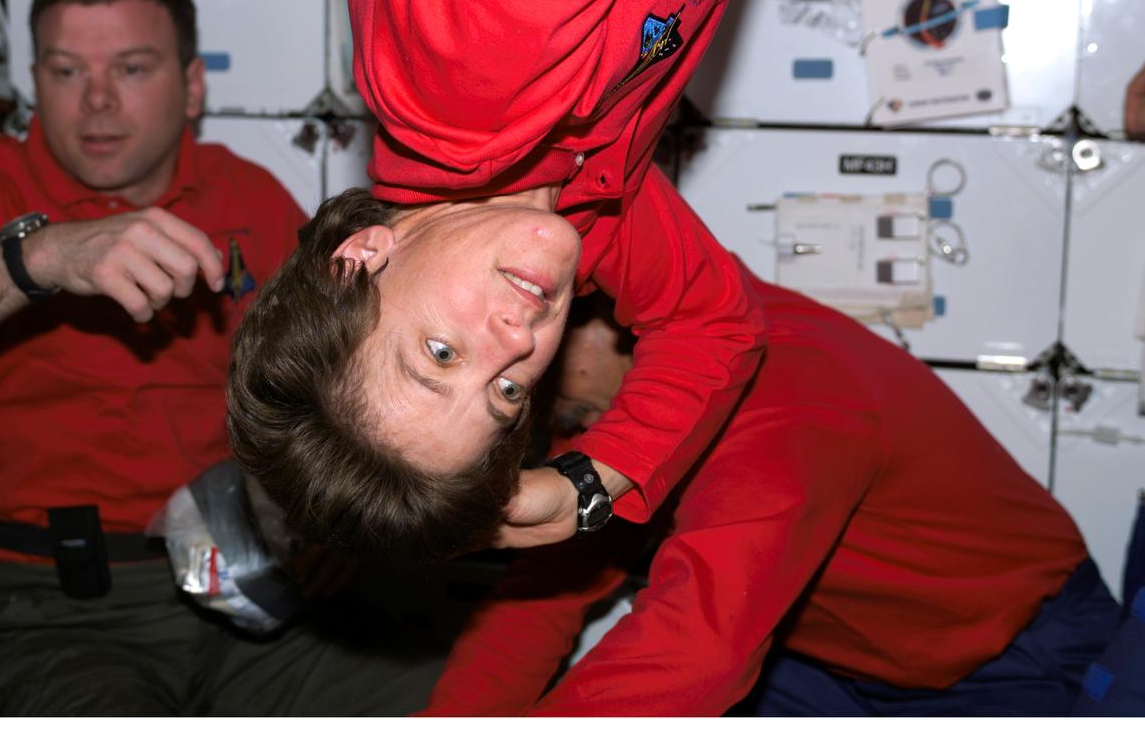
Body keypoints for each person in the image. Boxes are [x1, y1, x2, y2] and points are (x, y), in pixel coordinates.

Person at [0, 0, 440, 716]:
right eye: (66, 72)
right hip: (45, 609)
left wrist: (324, 522)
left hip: (245, 585)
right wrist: (40, 256)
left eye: (132, 69)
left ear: (192, 85)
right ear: (32, 82)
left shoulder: (246, 193)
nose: (97, 102)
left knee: (461, 687)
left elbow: (327, 379)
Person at [227, 0, 770, 567]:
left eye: (442, 353)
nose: (515, 341)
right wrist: (587, 485)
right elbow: (715, 324)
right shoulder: (566, 203)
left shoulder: (464, 64)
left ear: (359, 257)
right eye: (507, 392)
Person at [419, 271, 1122, 716]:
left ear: (600, 312)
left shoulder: (784, 393)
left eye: (525, 381)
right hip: (826, 661)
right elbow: (544, 593)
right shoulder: (623, 398)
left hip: (1009, 654)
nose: (524, 414)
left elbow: (694, 649)